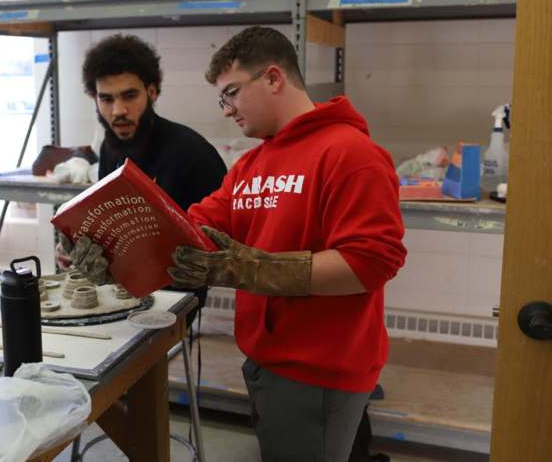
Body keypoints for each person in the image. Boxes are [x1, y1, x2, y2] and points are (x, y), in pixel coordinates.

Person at [167, 26, 407, 461]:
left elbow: (370, 262)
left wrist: (254, 270)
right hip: (266, 361)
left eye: (232, 93)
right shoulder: (251, 165)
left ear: (274, 78)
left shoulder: (351, 153)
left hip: (320, 370)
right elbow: (199, 225)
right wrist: (122, 238)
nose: (227, 111)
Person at [57, 34, 227, 316]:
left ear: (153, 91)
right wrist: (80, 248)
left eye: (130, 95)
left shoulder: (192, 152)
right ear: (94, 98)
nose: (118, 111)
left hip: (176, 294)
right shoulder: (110, 149)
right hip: (123, 287)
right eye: (106, 99)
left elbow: (218, 246)